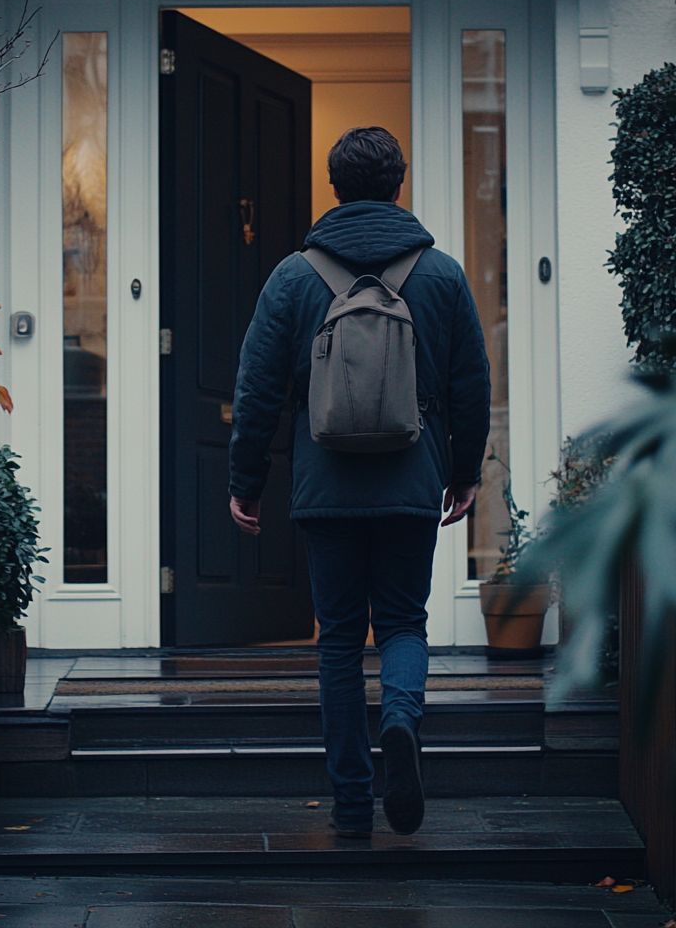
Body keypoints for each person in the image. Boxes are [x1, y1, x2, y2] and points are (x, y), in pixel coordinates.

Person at [228, 126, 491, 838]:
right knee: (404, 622)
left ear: (334, 187)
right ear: (399, 185)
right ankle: (401, 721)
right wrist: (464, 475)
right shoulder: (441, 276)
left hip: (326, 488)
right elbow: (471, 386)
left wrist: (245, 481)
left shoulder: (292, 276)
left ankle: (351, 803)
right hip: (412, 482)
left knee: (340, 639)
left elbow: (256, 390)